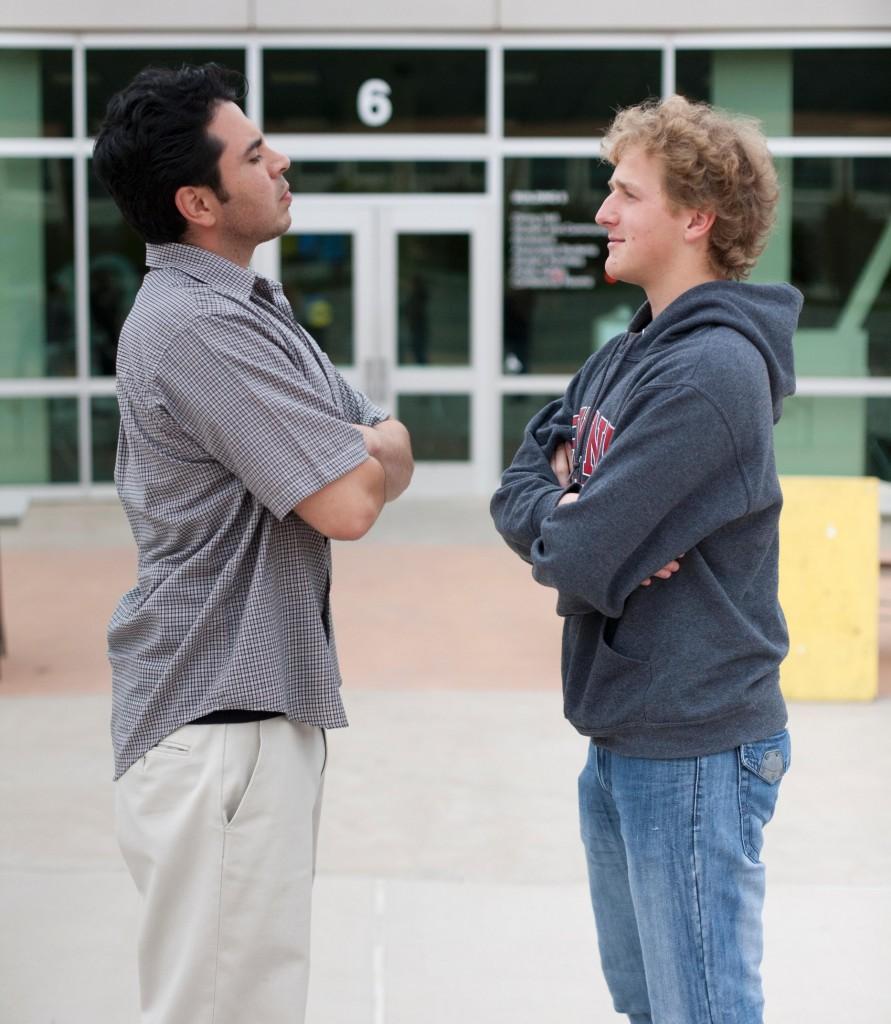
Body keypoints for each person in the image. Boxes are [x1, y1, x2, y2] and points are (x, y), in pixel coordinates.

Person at [93, 63, 413, 1024]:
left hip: (249, 718)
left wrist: (363, 449)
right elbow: (354, 500)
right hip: (218, 727)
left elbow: (375, 444)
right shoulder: (196, 326)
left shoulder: (250, 307)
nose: (283, 163)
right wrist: (363, 450)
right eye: (256, 153)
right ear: (197, 201)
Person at [491, 95, 800, 1024]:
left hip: (696, 741)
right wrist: (583, 514)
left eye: (626, 193)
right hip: (625, 734)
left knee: (699, 1009)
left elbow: (582, 555)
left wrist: (590, 523)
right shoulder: (624, 355)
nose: (602, 214)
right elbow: (514, 492)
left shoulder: (710, 373)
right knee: (647, 1005)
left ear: (695, 218)